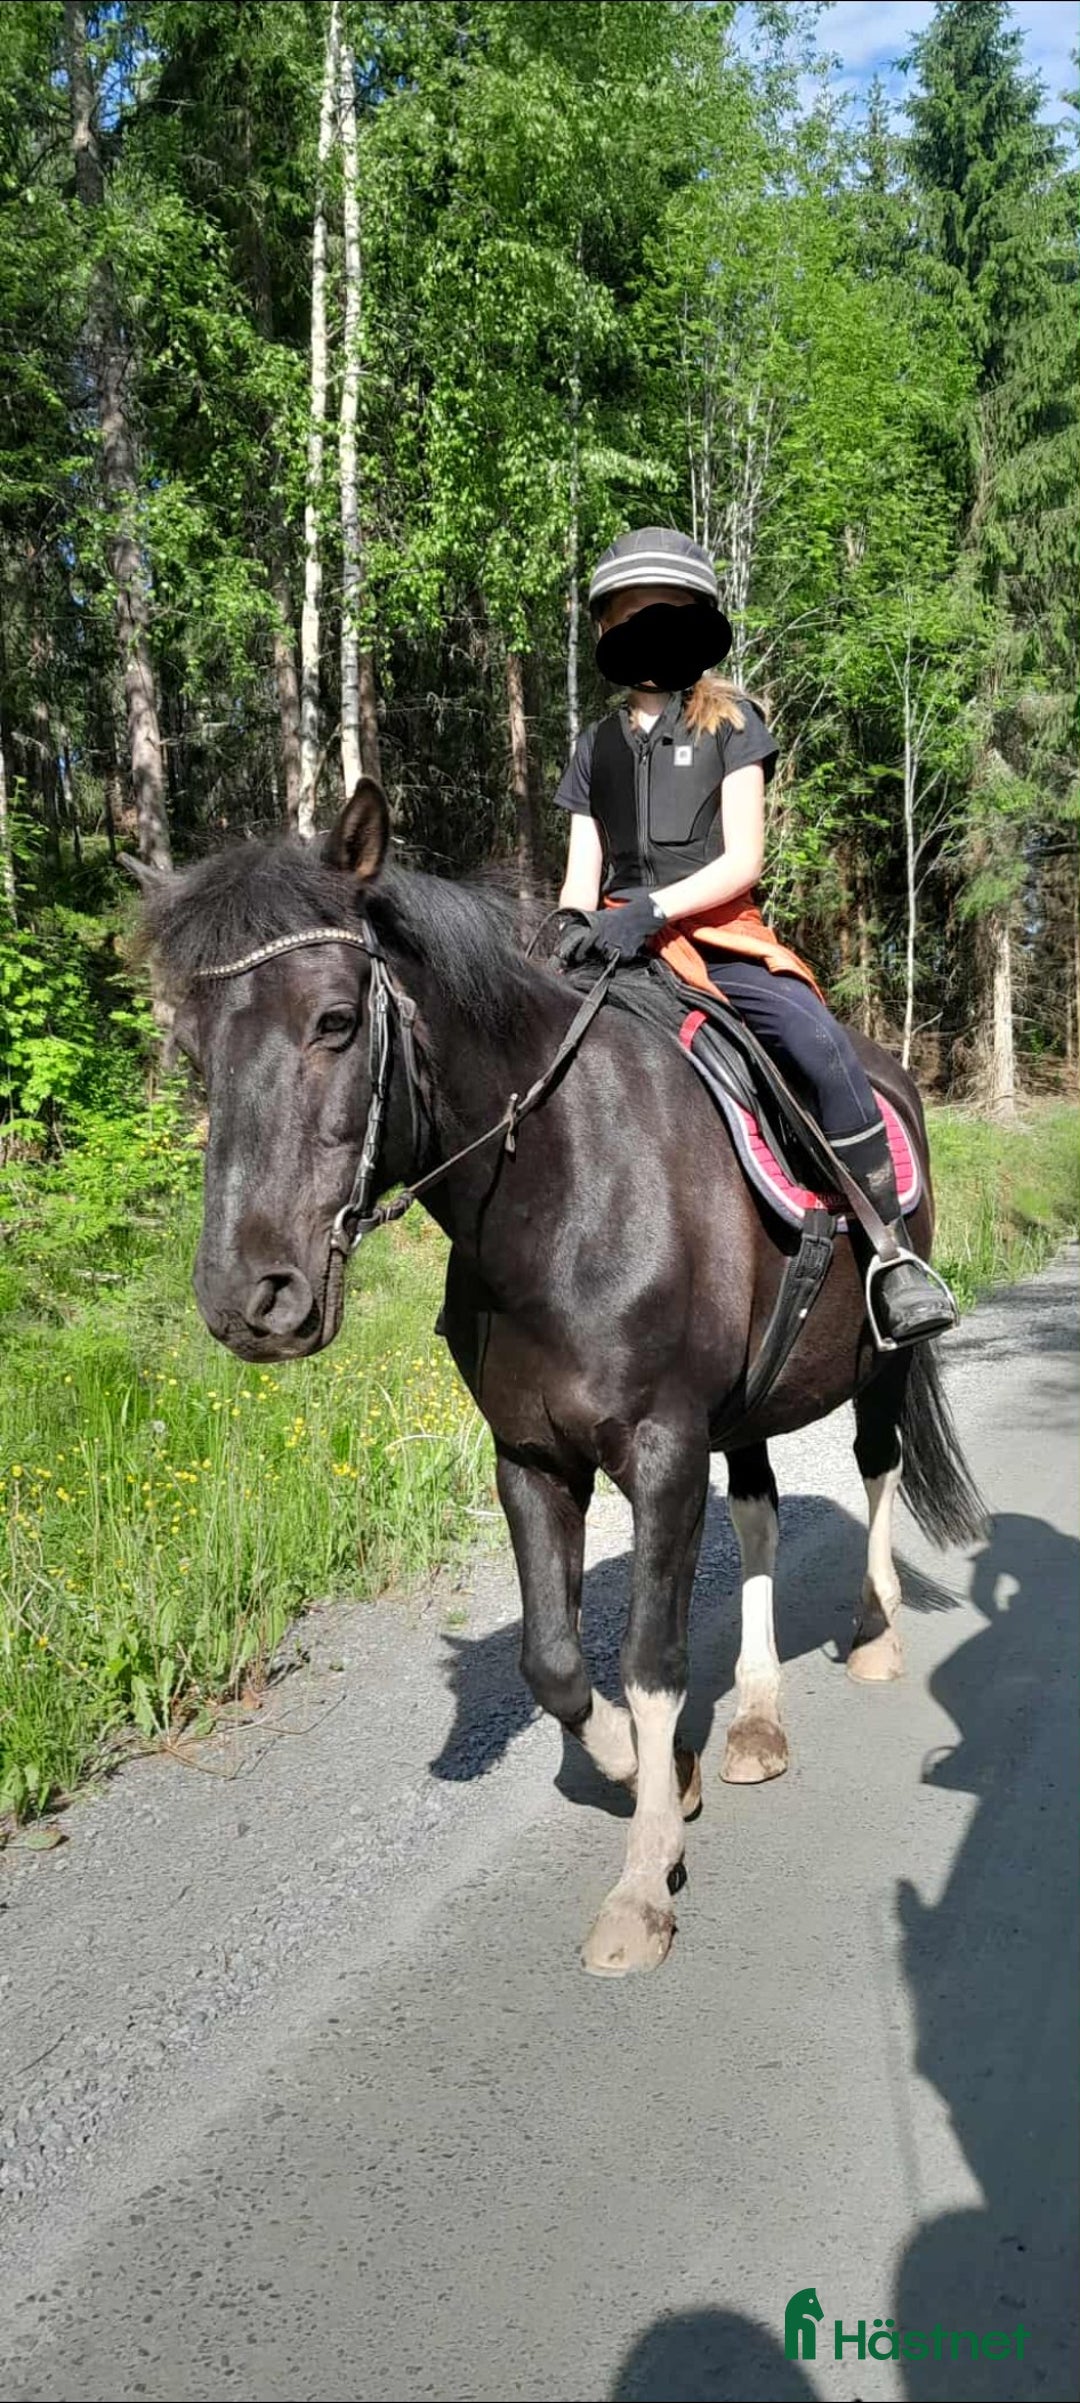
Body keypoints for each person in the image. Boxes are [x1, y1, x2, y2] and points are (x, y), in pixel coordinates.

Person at [553, 524, 956, 1346]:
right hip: (614, 946)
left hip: (717, 935)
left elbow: (744, 859)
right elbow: (578, 876)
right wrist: (570, 928)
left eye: (665, 615)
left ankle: (890, 1252)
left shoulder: (732, 723)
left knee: (819, 1045)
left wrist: (652, 910)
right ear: (606, 629)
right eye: (631, 617)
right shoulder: (592, 748)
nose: (648, 632)